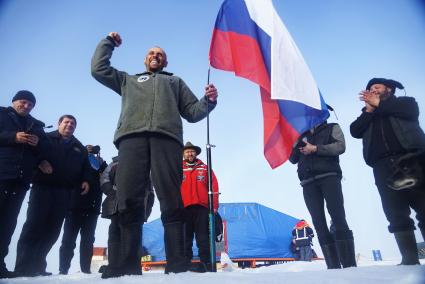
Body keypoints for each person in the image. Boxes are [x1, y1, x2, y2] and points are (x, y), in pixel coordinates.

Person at [91, 32, 218, 277]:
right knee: (128, 199)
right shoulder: (128, 80)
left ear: (165, 62)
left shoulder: (175, 82)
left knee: (171, 198)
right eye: (151, 53)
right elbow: (98, 69)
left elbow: (192, 112)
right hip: (131, 139)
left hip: (167, 140)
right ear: (145, 59)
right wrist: (108, 43)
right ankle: (128, 263)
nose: (155, 56)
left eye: (160, 54)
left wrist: (208, 101)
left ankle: (177, 263)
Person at [350, 78, 425, 265]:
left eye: (377, 87)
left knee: (423, 207)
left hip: (412, 160)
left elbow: (411, 112)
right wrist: (369, 109)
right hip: (382, 166)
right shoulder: (368, 114)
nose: (372, 90)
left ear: (389, 89)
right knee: (395, 212)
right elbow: (355, 130)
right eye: (370, 88)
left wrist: (379, 104)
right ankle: (409, 258)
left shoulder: (405, 103)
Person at [14, 115, 91, 277]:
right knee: (34, 226)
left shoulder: (80, 148)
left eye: (72, 123)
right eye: (66, 122)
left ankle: (38, 265)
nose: (69, 125)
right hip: (43, 188)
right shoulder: (45, 138)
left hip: (65, 192)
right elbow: (31, 155)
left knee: (52, 231)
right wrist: (40, 162)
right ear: (59, 124)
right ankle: (22, 266)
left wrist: (86, 180)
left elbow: (86, 168)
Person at [289, 121, 357, 269]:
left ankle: (349, 265)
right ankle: (333, 266)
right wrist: (295, 142)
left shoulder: (332, 127)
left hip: (329, 176)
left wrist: (315, 148)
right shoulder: (302, 134)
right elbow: (292, 159)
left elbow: (340, 146)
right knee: (319, 223)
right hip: (308, 182)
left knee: (338, 217)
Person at [0, 91, 48, 279]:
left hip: (20, 181)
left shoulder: (35, 125)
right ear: (14, 102)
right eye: (23, 102)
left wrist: (37, 143)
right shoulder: (1, 114)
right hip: (1, 174)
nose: (26, 106)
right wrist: (13, 137)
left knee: (8, 224)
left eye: (30, 104)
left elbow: (46, 148)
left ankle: (0, 265)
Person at [98, 156, 155, 278]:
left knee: (133, 236)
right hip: (116, 207)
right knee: (114, 234)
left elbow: (150, 191)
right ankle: (114, 266)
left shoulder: (144, 164)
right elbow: (104, 180)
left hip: (136, 207)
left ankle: (131, 267)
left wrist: (147, 211)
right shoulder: (113, 164)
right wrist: (115, 192)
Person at [58, 145, 107, 275]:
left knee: (88, 240)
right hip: (74, 205)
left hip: (93, 207)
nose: (91, 151)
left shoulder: (99, 163)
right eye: (88, 149)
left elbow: (107, 175)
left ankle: (86, 270)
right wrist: (84, 153)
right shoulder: (78, 159)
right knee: (69, 238)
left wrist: (101, 161)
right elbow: (72, 171)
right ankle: (63, 270)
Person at [180, 142, 219, 273]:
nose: (189, 154)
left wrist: (214, 206)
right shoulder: (178, 168)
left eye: (192, 151)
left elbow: (214, 187)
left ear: (196, 153)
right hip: (184, 209)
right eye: (187, 152)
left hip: (202, 208)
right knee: (185, 237)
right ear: (183, 154)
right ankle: (185, 263)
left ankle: (206, 263)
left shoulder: (205, 168)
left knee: (203, 237)